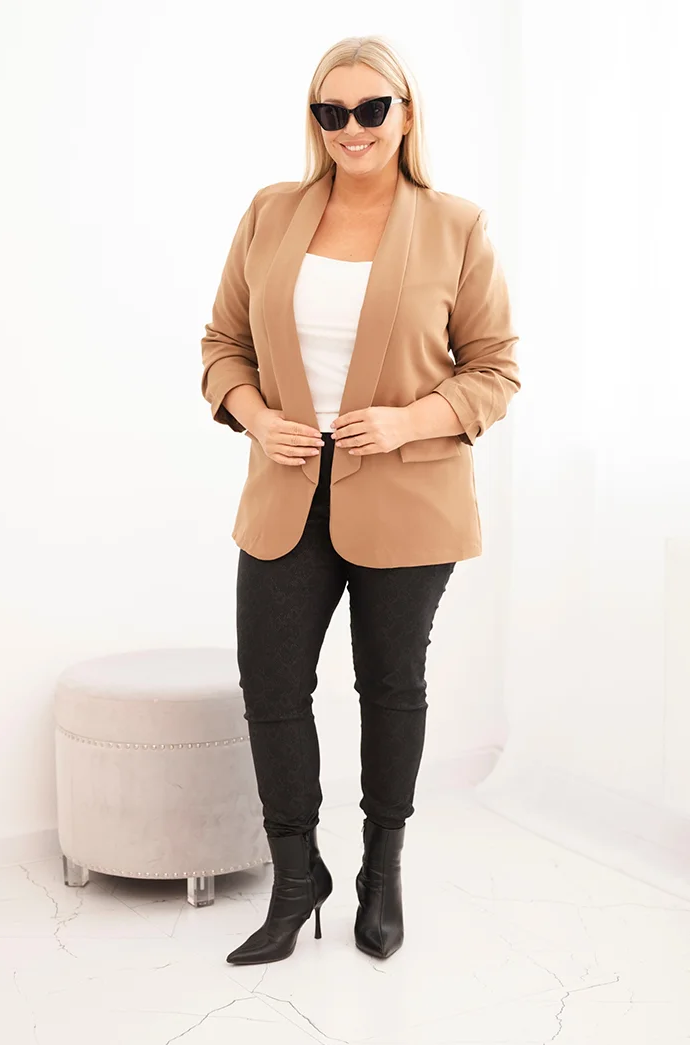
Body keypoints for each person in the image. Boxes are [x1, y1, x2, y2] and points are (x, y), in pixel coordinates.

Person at [200, 34, 520, 966]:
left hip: (409, 497)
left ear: (406, 114)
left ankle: (383, 872)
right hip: (287, 492)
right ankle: (297, 879)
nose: (352, 128)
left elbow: (495, 369)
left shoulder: (455, 225)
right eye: (331, 112)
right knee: (271, 686)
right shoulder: (271, 213)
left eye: (372, 109)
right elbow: (222, 344)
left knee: (389, 685)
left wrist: (409, 421)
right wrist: (257, 417)